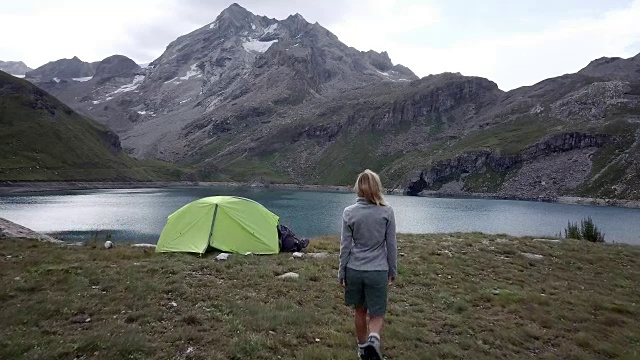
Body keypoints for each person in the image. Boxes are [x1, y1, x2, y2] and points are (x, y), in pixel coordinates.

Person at [338, 169, 397, 360]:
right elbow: (391, 244)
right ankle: (373, 340)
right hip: (377, 270)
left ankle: (363, 350)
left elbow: (345, 246)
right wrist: (392, 270)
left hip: (354, 269)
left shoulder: (349, 212)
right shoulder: (386, 212)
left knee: (360, 310)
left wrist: (342, 272)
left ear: (358, 188)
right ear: (376, 187)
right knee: (377, 313)